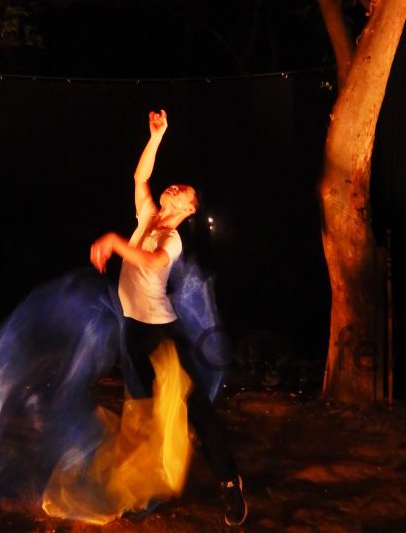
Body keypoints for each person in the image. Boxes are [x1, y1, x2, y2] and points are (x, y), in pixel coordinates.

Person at [90, 108, 248, 527]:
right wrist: (157, 136)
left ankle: (229, 482)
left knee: (197, 409)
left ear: (189, 209)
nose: (173, 186)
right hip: (132, 331)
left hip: (161, 334)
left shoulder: (172, 238)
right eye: (175, 184)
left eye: (182, 191)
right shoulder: (147, 216)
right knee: (141, 417)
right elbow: (140, 177)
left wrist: (114, 241)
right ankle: (143, 491)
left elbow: (151, 261)